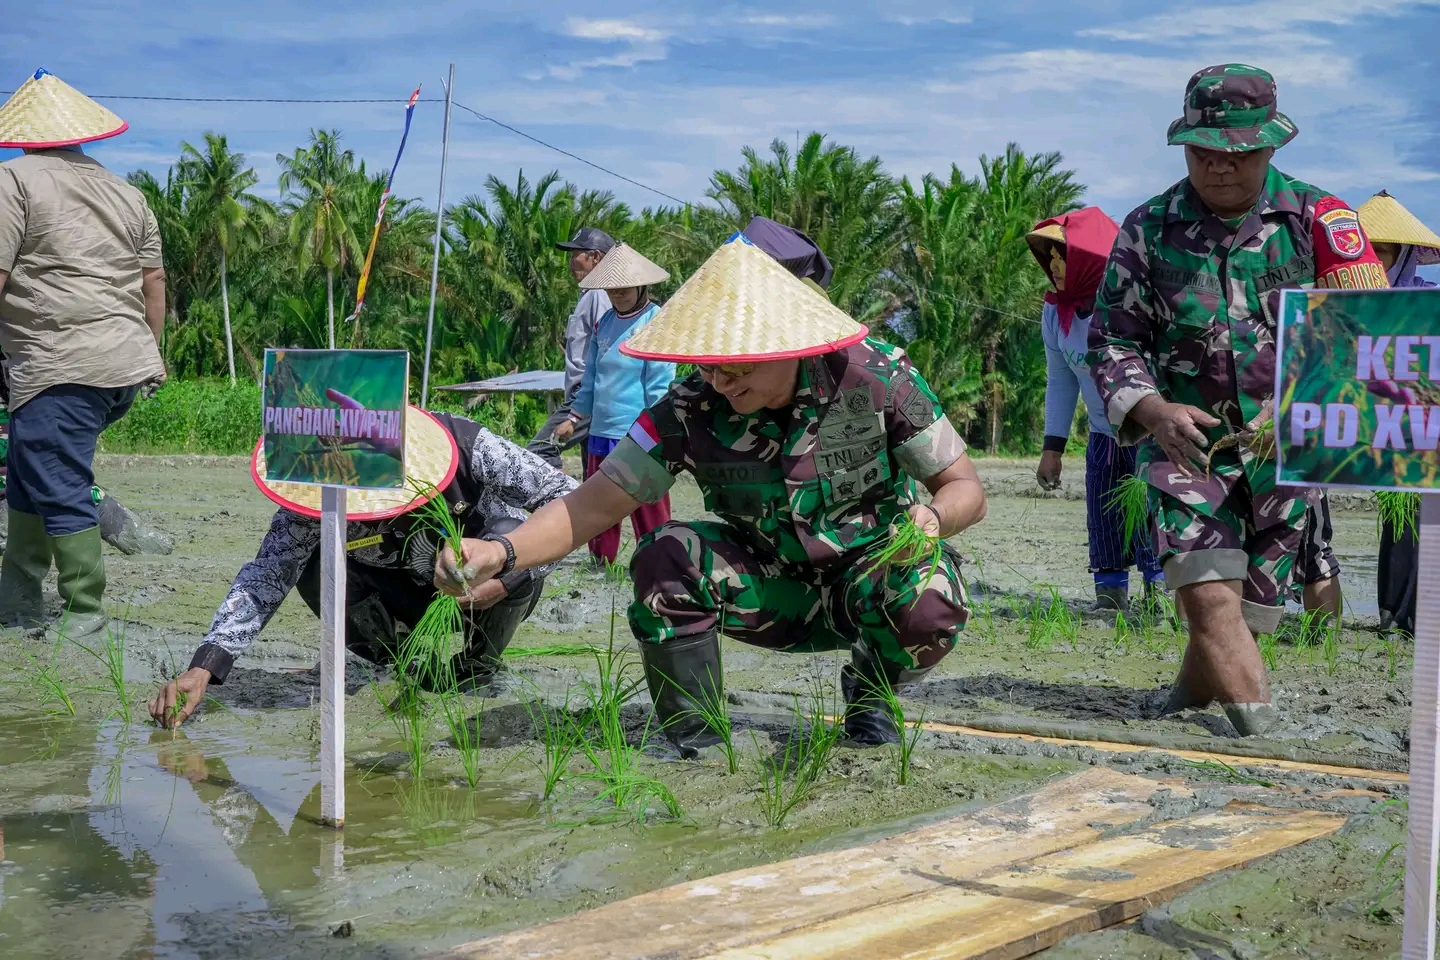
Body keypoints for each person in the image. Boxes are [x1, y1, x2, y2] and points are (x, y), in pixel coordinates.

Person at [434, 234, 986, 752]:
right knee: (665, 554)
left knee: (930, 592)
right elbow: (592, 505)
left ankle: (871, 695)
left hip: (869, 583)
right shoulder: (689, 407)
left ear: (788, 340)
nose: (720, 380)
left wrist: (934, 518)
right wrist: (501, 552)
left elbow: (965, 488)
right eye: (708, 361)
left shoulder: (875, 377)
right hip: (770, 589)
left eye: (736, 363)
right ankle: (695, 735)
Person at [1089, 63, 1388, 737]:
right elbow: (1111, 341)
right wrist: (1153, 411)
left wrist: (1306, 405)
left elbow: (1367, 333)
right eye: (1202, 152)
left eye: (1238, 153)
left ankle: (1187, 696)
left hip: (1285, 454)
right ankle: (1263, 732)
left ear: (1272, 145)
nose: (1219, 166)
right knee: (1206, 591)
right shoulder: (1147, 230)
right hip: (1186, 449)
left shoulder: (1320, 221)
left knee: (1251, 610)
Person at [148, 407, 576, 727]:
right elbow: (269, 573)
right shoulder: (316, 485)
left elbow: (569, 503)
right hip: (394, 591)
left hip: (481, 588)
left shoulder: (468, 447)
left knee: (510, 532)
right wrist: (205, 665)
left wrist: (512, 572)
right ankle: (398, 660)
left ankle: (475, 668)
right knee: (310, 561)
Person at [0, 69, 168, 638]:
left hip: (59, 364)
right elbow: (153, 281)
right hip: (121, 367)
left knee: (57, 479)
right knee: (29, 473)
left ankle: (85, 613)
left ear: (24, 134)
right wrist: (151, 353)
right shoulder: (127, 193)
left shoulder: (13, 181)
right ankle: (17, 602)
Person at [1027, 208, 1163, 612]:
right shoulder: (1056, 312)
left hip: (1149, 434)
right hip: (1104, 435)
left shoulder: (1131, 304)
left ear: (1088, 260)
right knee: (1105, 519)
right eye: (1050, 259)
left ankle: (1162, 602)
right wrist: (1052, 449)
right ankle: (1110, 603)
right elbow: (1061, 380)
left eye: (1061, 259)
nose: (1053, 268)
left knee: (1152, 516)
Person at [1358, 190, 1440, 636]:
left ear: (1404, 255)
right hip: (1366, 425)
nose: (1375, 259)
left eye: (1384, 251)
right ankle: (1392, 610)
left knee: (1421, 517)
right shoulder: (1342, 304)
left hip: (1421, 425)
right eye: (1367, 250)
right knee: (1397, 517)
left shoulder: (1429, 300)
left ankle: (1414, 616)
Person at [564, 243, 676, 566]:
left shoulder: (655, 320)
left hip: (641, 435)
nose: (618, 293)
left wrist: (662, 431)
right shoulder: (604, 323)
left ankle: (658, 563)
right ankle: (601, 564)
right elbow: (592, 376)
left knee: (648, 508)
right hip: (601, 432)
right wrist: (575, 416)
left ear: (641, 285)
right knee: (600, 508)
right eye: (612, 288)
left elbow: (659, 384)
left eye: (625, 287)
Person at [526, 227, 615, 469]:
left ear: (595, 257)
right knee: (592, 471)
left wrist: (585, 401)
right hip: (584, 394)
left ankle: (556, 492)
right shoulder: (589, 295)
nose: (571, 262)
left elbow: (606, 347)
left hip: (586, 394)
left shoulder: (599, 295)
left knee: (539, 451)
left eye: (576, 254)